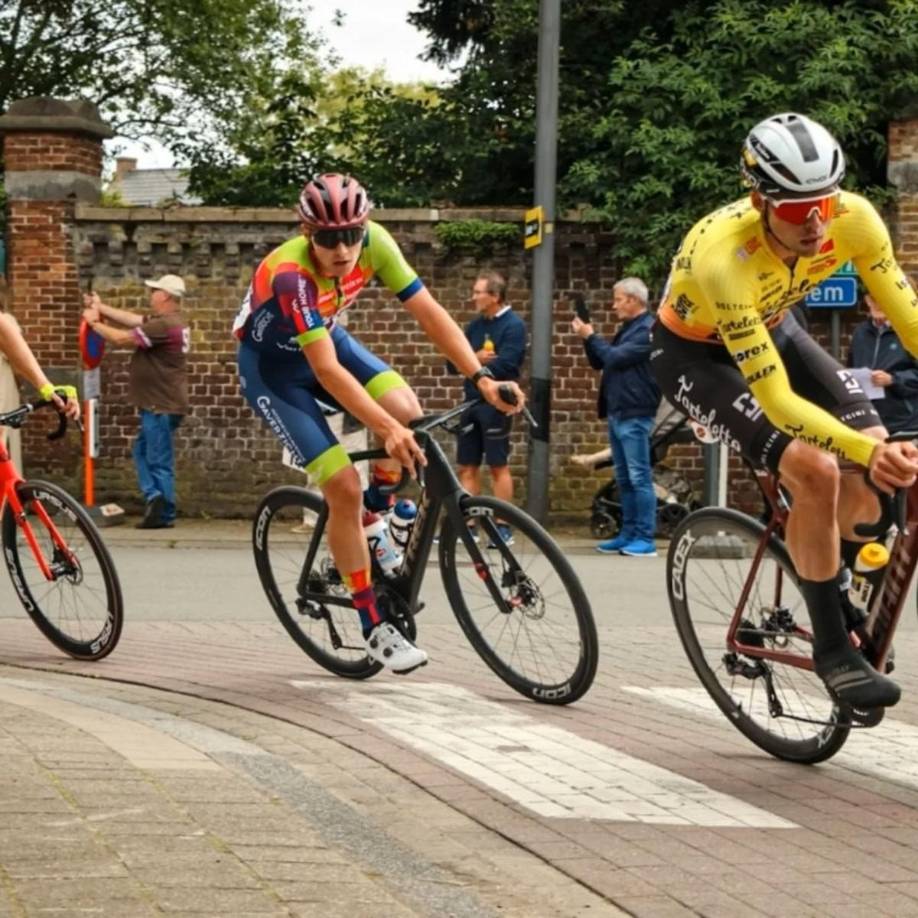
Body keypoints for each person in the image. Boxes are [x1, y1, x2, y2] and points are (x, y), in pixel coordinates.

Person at [650, 112, 918, 712]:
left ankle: (838, 583)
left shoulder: (856, 221)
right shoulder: (725, 256)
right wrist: (866, 453)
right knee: (817, 469)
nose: (818, 222)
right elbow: (777, 402)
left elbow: (911, 320)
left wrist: (873, 451)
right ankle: (831, 650)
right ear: (760, 200)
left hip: (776, 327)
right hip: (695, 355)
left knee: (874, 468)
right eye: (798, 209)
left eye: (826, 200)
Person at [233, 173, 524, 674]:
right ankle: (372, 625)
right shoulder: (291, 277)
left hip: (328, 342)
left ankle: (381, 514)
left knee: (412, 413)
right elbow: (325, 370)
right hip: (274, 373)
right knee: (343, 484)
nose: (343, 249)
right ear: (307, 234)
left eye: (351, 234)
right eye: (328, 238)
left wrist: (479, 378)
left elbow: (428, 312)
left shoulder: (376, 243)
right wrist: (385, 429)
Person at [82, 275, 190, 530]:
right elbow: (133, 320)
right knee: (143, 451)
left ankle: (161, 510)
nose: (151, 295)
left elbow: (122, 338)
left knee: (157, 459)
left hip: (159, 405)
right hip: (163, 403)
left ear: (165, 295)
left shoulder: (162, 327)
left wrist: (94, 323)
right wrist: (101, 306)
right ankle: (157, 501)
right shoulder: (169, 322)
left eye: (155, 291)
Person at [573, 278, 661, 557]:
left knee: (639, 476)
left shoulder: (648, 330)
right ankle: (628, 533)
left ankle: (645, 538)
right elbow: (599, 361)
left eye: (619, 299)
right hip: (619, 411)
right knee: (624, 477)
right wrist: (588, 338)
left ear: (634, 300)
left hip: (635, 412)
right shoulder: (629, 329)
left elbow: (614, 358)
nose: (614, 305)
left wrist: (590, 336)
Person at [448, 271, 526, 545]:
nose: (473, 297)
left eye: (478, 292)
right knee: (466, 466)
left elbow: (508, 364)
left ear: (494, 296)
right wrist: (475, 359)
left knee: (497, 465)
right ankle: (468, 526)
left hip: (496, 405)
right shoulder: (474, 327)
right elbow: (451, 362)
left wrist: (472, 363)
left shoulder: (513, 326)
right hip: (470, 402)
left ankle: (503, 526)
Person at [847, 289, 918, 434]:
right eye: (874, 299)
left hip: (905, 424)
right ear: (867, 300)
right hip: (869, 423)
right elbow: (851, 367)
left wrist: (893, 380)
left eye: (884, 299)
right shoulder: (860, 332)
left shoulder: (911, 332)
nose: (878, 305)